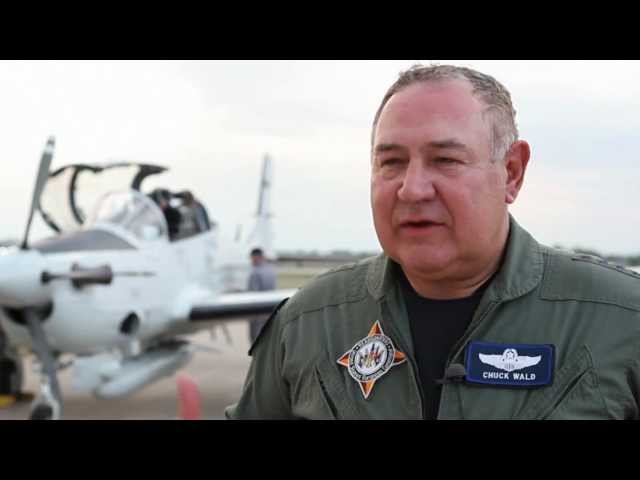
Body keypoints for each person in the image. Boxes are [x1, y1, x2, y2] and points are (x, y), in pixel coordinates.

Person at [226, 64, 640, 420]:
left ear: (511, 172)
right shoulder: (307, 324)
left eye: (445, 160)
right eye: (392, 162)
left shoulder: (622, 319)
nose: (412, 189)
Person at [247, 248, 277, 344]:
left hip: (256, 311)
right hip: (269, 310)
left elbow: (253, 294)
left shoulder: (255, 272)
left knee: (255, 339)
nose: (251, 261)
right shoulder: (271, 270)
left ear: (256, 257)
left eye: (252, 258)